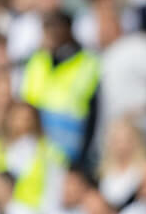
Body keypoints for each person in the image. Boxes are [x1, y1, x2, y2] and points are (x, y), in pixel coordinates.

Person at [20, 10, 100, 167]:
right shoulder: (37, 60)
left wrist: (83, 154)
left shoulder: (88, 62)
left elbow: (94, 111)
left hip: (71, 147)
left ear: (68, 29)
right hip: (37, 151)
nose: (51, 34)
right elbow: (27, 104)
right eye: (47, 29)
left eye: (55, 28)